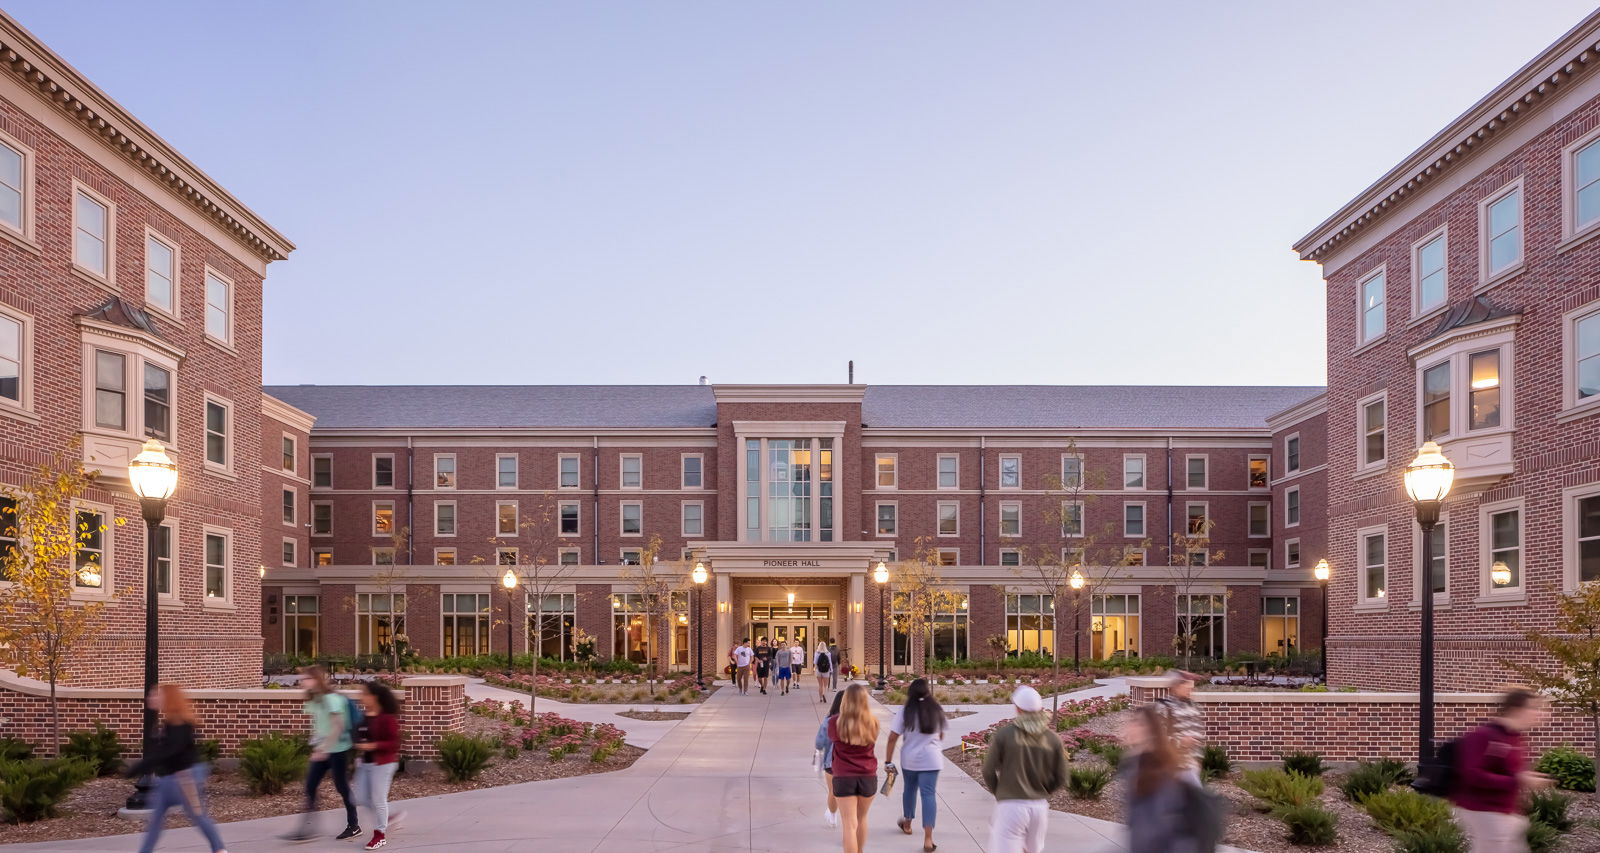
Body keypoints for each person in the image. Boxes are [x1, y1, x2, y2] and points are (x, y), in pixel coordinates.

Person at [128, 684, 228, 853]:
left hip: (185, 778)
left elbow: (171, 751)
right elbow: (163, 752)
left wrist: (140, 766)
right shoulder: (168, 724)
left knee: (198, 816)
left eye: (155, 695)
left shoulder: (181, 725)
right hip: (169, 779)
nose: (151, 697)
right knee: (156, 821)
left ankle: (220, 849)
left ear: (168, 699)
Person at [1451, 688, 1552, 853]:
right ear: (1516, 709)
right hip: (1483, 810)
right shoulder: (1483, 735)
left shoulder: (1515, 738)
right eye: (1534, 708)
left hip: (1505, 814)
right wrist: (1519, 780)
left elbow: (1511, 773)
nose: (1539, 713)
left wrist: (1523, 780)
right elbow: (1472, 775)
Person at [981, 686, 1069, 853]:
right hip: (1039, 807)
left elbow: (988, 771)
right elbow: (1061, 777)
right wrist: (1044, 791)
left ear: (1018, 708)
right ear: (1040, 709)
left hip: (1011, 806)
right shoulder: (1053, 739)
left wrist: (1000, 792)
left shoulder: (1005, 735)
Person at [283, 665, 360, 841]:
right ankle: (306, 829)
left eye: (305, 679)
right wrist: (317, 747)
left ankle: (354, 825)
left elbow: (338, 726)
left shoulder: (331, 699)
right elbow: (319, 727)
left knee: (342, 787)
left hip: (338, 750)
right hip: (323, 751)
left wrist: (324, 749)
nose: (302, 682)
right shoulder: (314, 700)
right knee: (310, 786)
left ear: (316, 679)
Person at [1123, 704, 1213, 853]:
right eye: (1132, 721)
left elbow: (1165, 826)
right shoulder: (1134, 766)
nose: (1131, 726)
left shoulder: (1167, 770)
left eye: (1138, 722)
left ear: (1152, 730)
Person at [886, 678, 945, 852]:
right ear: (928, 692)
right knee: (929, 795)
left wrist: (888, 761)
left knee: (910, 790)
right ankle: (928, 839)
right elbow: (940, 736)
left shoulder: (905, 711)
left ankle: (908, 824)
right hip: (932, 760)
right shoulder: (936, 709)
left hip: (910, 760)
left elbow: (892, 737)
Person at [828, 683, 880, 853]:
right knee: (862, 819)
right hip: (868, 775)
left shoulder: (835, 722)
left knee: (849, 825)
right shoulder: (873, 722)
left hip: (843, 776)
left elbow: (831, 739)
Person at [353, 681, 404, 851]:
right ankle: (389, 817)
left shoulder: (386, 718)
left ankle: (379, 835)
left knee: (378, 799)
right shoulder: (365, 716)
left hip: (384, 763)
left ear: (374, 697)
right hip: (365, 763)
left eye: (364, 694)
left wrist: (373, 746)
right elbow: (358, 735)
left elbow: (393, 744)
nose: (361, 697)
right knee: (360, 798)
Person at [1155, 670, 1206, 781]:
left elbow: (1199, 735)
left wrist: (1197, 760)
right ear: (1176, 686)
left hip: (1190, 766)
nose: (1190, 688)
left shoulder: (1194, 706)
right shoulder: (1164, 707)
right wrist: (1181, 742)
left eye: (1191, 685)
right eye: (1186, 685)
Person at [814, 690, 847, 828]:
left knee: (833, 791)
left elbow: (819, 743)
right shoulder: (858, 721)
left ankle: (832, 815)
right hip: (853, 764)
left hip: (831, 762)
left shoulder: (829, 721)